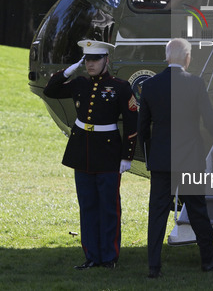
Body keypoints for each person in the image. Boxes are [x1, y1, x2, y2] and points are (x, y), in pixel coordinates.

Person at [43, 39, 138, 270]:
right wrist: (69, 70)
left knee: (108, 207)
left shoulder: (120, 86)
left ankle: (109, 257)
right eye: (87, 59)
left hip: (108, 153)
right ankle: (92, 255)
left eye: (95, 59)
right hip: (82, 152)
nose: (90, 64)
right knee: (87, 206)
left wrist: (127, 156)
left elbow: (132, 121)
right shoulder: (80, 83)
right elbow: (50, 90)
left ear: (107, 59)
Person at [138, 38, 213, 278]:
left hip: (161, 161)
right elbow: (210, 120)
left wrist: (149, 153)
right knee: (198, 210)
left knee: (157, 213)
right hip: (189, 160)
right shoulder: (196, 83)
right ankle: (208, 260)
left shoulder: (150, 86)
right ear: (187, 58)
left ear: (167, 57)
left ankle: (153, 266)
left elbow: (143, 126)